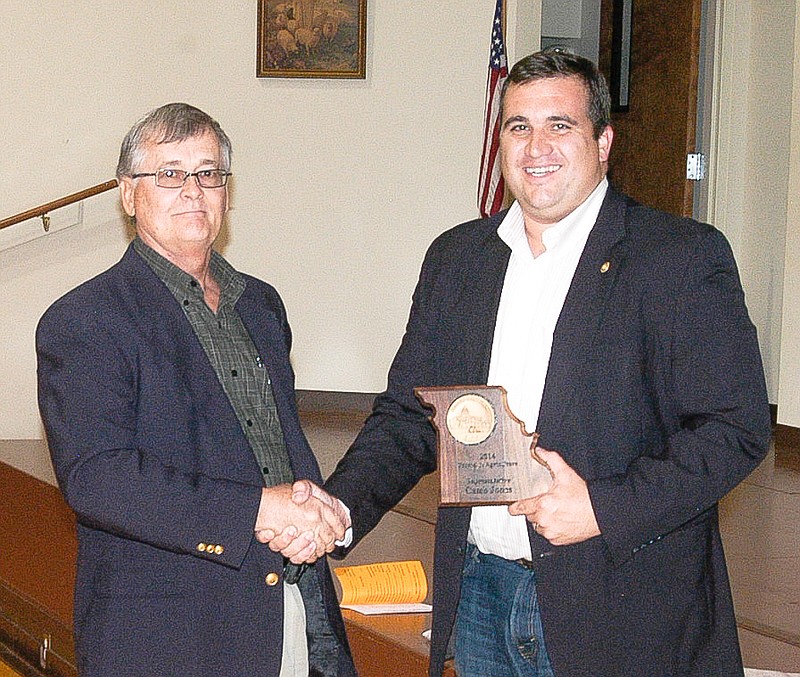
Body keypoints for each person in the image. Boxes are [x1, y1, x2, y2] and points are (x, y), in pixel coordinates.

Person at [274, 50, 772, 675]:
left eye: (559, 125)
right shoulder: (459, 259)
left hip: (621, 607)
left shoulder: (678, 259)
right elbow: (409, 416)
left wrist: (602, 508)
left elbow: (736, 428)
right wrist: (340, 508)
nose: (537, 146)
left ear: (603, 141)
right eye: (518, 127)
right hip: (482, 594)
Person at [36, 103, 356, 677]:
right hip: (168, 634)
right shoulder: (84, 319)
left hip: (289, 606)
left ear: (226, 192)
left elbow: (276, 443)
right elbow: (98, 479)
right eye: (170, 174)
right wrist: (257, 511)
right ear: (129, 194)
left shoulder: (260, 304)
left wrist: (315, 512)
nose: (193, 191)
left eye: (208, 174)